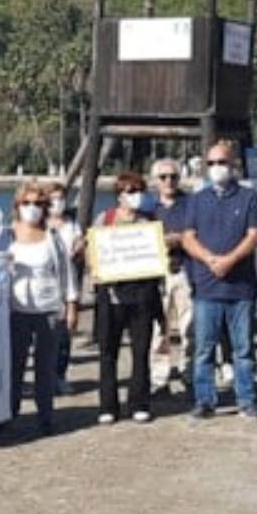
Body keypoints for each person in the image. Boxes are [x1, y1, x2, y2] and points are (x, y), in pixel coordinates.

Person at [180, 141, 257, 421]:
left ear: (234, 165)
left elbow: (254, 236)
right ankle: (205, 400)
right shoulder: (197, 200)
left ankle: (247, 400)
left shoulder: (249, 197)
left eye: (223, 162)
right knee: (204, 349)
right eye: (212, 163)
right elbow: (188, 237)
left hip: (241, 288)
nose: (218, 168)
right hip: (206, 286)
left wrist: (229, 260)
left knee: (244, 349)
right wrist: (209, 260)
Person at [0, 182, 75, 434]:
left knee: (46, 367)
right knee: (15, 367)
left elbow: (66, 273)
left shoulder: (53, 237)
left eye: (39, 204)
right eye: (27, 203)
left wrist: (71, 304)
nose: (32, 208)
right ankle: (9, 414)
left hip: (48, 309)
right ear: (17, 206)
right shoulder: (5, 236)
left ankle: (46, 416)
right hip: (15, 310)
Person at [89, 173, 163, 424]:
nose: (134, 194)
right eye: (129, 190)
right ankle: (108, 406)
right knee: (108, 352)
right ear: (119, 195)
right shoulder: (105, 219)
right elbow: (93, 252)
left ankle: (139, 403)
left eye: (138, 190)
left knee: (140, 352)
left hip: (142, 297)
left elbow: (157, 255)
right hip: (111, 296)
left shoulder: (150, 221)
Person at [149, 157, 192, 390]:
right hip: (158, 274)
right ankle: (158, 378)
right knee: (158, 330)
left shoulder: (191, 203)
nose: (169, 181)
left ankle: (188, 373)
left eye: (173, 176)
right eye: (163, 177)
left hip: (186, 270)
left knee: (190, 327)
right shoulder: (147, 208)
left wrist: (180, 239)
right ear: (155, 181)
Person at [45, 180, 85, 392]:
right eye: (53, 199)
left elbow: (80, 243)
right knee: (43, 337)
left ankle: (60, 376)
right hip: (44, 286)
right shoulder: (40, 225)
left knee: (64, 335)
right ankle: (44, 377)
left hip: (67, 283)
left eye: (61, 198)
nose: (57, 203)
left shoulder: (72, 223)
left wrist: (81, 245)